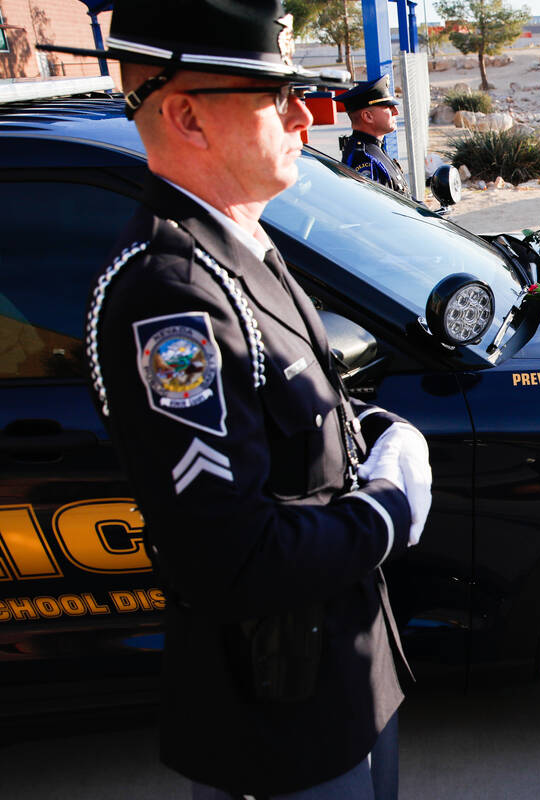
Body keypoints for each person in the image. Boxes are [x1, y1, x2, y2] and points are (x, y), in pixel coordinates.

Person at [39, 2, 431, 797]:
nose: (304, 114)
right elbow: (232, 556)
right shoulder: (169, 294)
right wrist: (389, 511)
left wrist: (372, 432)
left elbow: (287, 413)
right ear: (185, 114)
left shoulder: (237, 241)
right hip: (279, 709)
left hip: (337, 676)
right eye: (272, 95)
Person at [337, 74, 410, 195]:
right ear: (368, 116)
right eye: (388, 107)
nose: (395, 112)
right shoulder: (363, 159)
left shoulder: (374, 148)